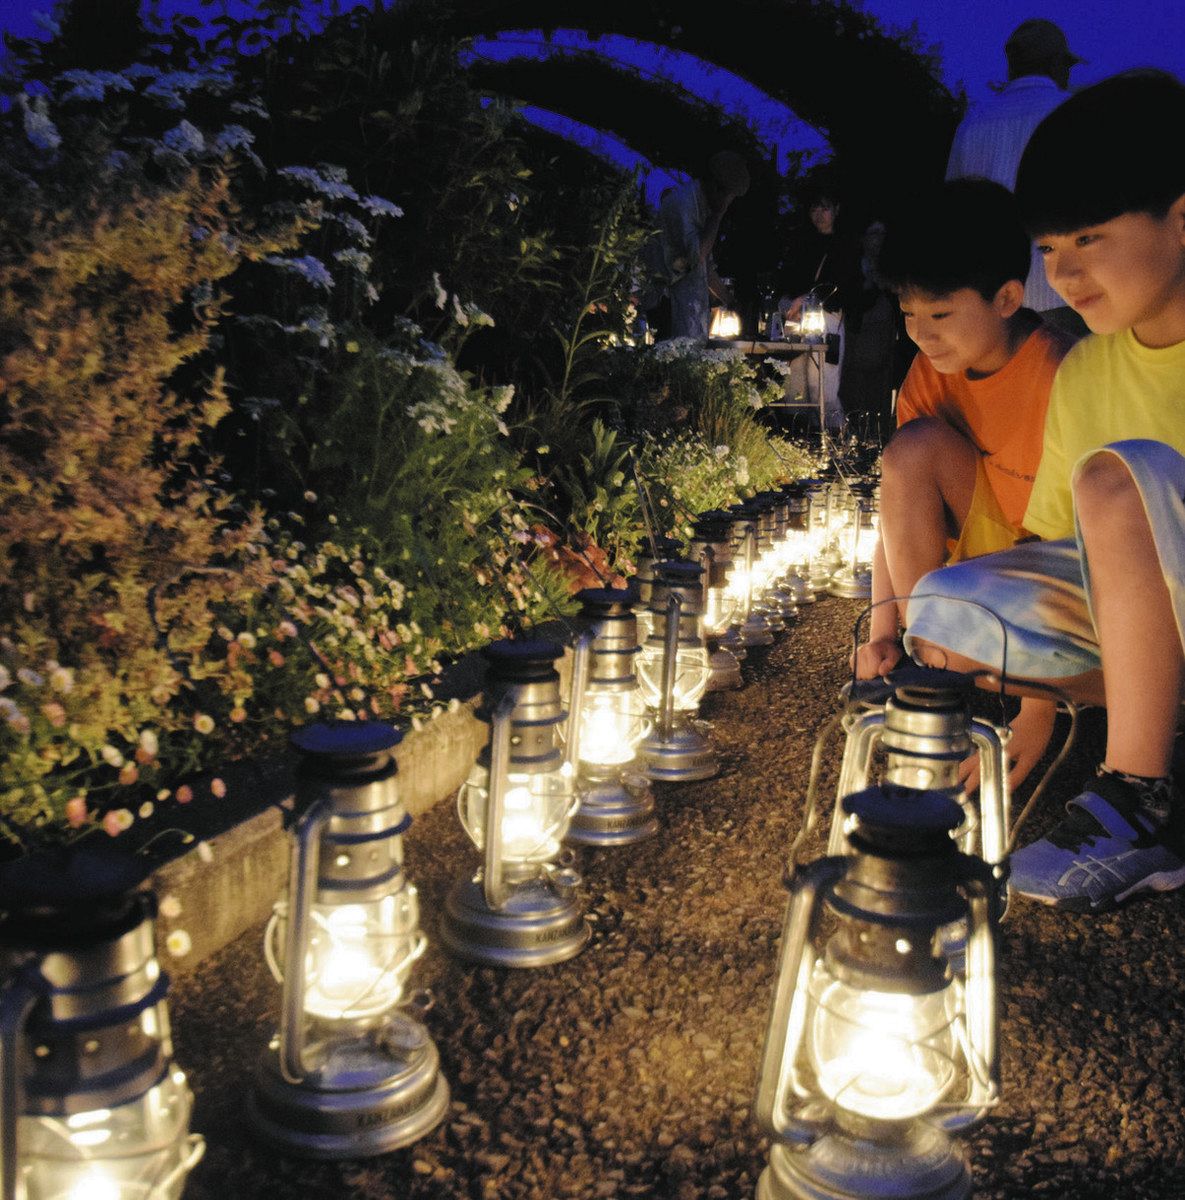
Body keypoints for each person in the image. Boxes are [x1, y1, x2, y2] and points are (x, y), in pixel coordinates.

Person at [903, 71, 1185, 912]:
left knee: (1115, 476)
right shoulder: (1091, 366)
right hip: (1147, 619)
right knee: (945, 613)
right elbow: (1047, 551)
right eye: (1049, 248)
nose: (1062, 273)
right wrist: (1031, 713)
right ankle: (1146, 717)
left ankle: (1138, 797)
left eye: (1089, 240)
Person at [854, 180, 1075, 789]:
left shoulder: (1056, 372)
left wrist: (1038, 709)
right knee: (912, 449)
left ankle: (986, 669)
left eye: (941, 314)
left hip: (1049, 577)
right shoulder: (929, 375)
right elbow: (897, 508)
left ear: (1006, 297)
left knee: (977, 651)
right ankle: (930, 660)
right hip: (975, 569)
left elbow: (1074, 547)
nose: (922, 334)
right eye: (909, 315)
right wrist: (881, 634)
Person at [946, 18, 1085, 336]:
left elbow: (951, 218)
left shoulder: (973, 124)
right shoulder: (1075, 116)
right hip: (1066, 297)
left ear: (1012, 67)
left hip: (992, 304)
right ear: (1055, 64)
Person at [639, 151, 750, 341]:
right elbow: (696, 256)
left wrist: (729, 301)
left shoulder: (701, 207)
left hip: (688, 314)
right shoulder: (684, 205)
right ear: (717, 188)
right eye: (729, 198)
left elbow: (705, 267)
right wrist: (718, 215)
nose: (728, 204)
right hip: (667, 306)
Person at [777, 188, 861, 431]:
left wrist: (808, 298)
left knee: (823, 383)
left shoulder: (846, 246)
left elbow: (845, 287)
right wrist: (787, 301)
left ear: (836, 210)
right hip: (796, 320)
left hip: (828, 321)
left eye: (824, 208)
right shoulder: (802, 244)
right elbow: (788, 280)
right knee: (795, 383)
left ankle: (833, 439)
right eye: (814, 208)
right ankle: (798, 437)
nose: (819, 214)